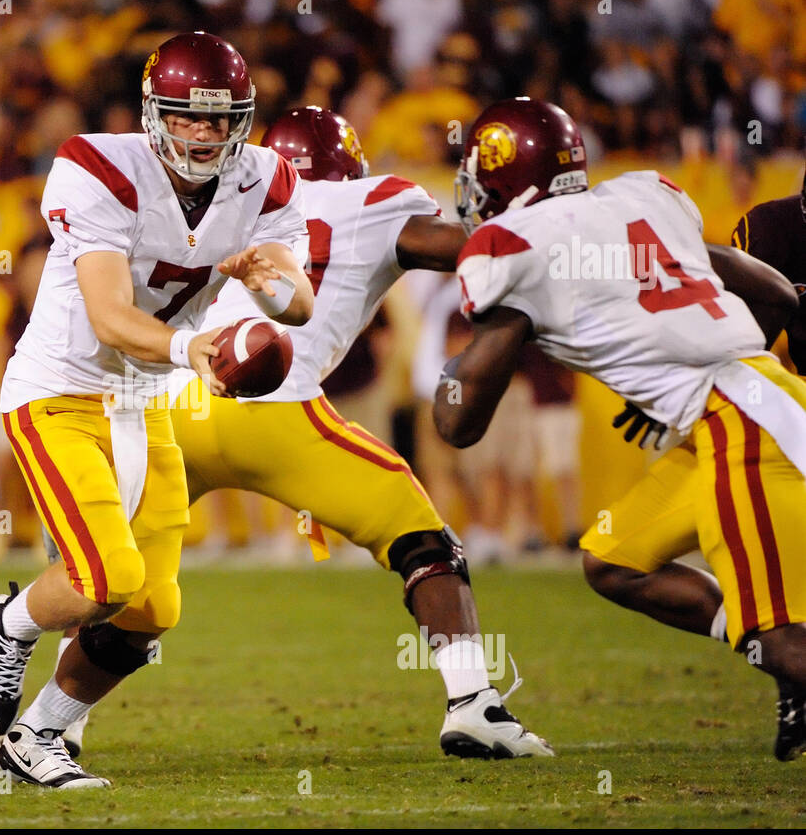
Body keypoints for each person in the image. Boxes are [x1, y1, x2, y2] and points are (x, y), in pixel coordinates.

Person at [64, 106, 553, 761]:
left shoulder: (230, 204)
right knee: (424, 545)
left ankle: (51, 723)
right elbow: (471, 252)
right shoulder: (371, 200)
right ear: (346, 166)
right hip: (274, 406)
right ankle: (474, 705)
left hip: (179, 404)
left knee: (125, 592)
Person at [0, 32, 314, 788]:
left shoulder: (265, 180)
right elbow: (108, 317)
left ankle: (39, 734)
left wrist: (267, 282)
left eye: (220, 119)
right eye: (187, 117)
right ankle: (13, 622)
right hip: (59, 390)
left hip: (141, 398)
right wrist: (192, 349)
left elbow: (300, 303)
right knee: (103, 580)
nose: (204, 133)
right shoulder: (99, 167)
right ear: (154, 114)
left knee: (153, 608)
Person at [434, 96, 806, 761]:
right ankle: (772, 650)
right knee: (614, 561)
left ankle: (785, 657)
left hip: (742, 430)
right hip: (742, 408)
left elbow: (457, 423)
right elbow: (776, 294)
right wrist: (690, 356)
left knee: (784, 640)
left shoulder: (512, 245)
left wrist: (465, 364)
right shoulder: (643, 197)